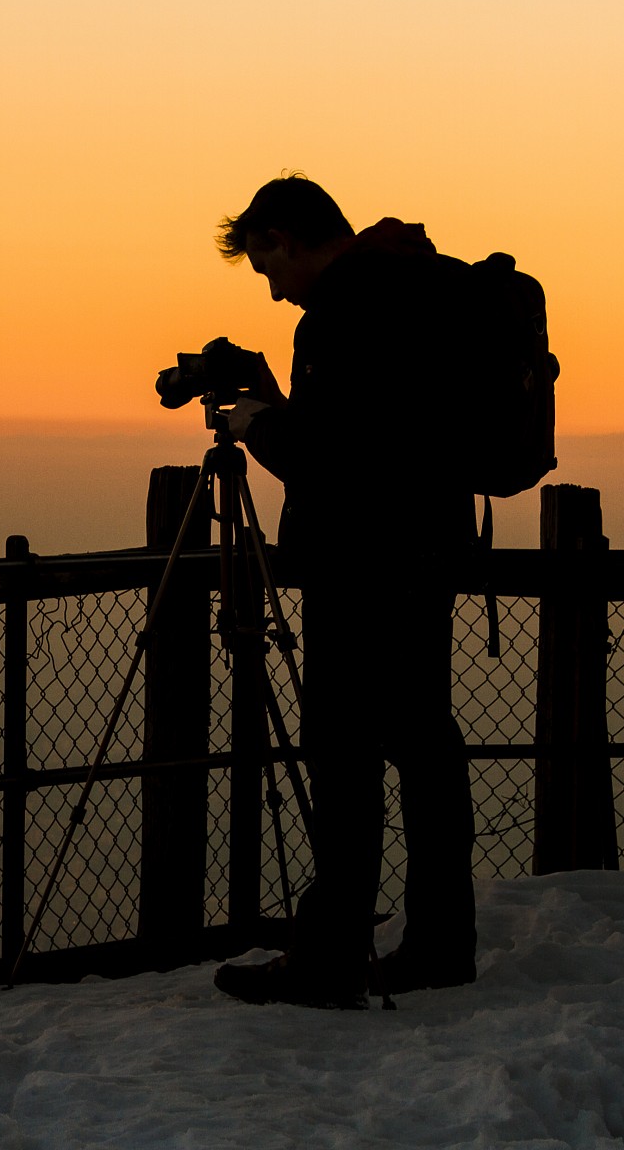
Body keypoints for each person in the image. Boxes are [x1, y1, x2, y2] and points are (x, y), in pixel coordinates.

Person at [207, 173, 480, 1010]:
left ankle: (327, 960)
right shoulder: (411, 290)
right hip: (428, 546)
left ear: (285, 240)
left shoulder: (344, 310)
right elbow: (372, 431)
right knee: (424, 744)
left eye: (267, 268)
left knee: (344, 755)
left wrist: (255, 423)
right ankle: (441, 944)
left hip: (360, 563)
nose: (273, 291)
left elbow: (328, 456)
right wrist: (282, 407)